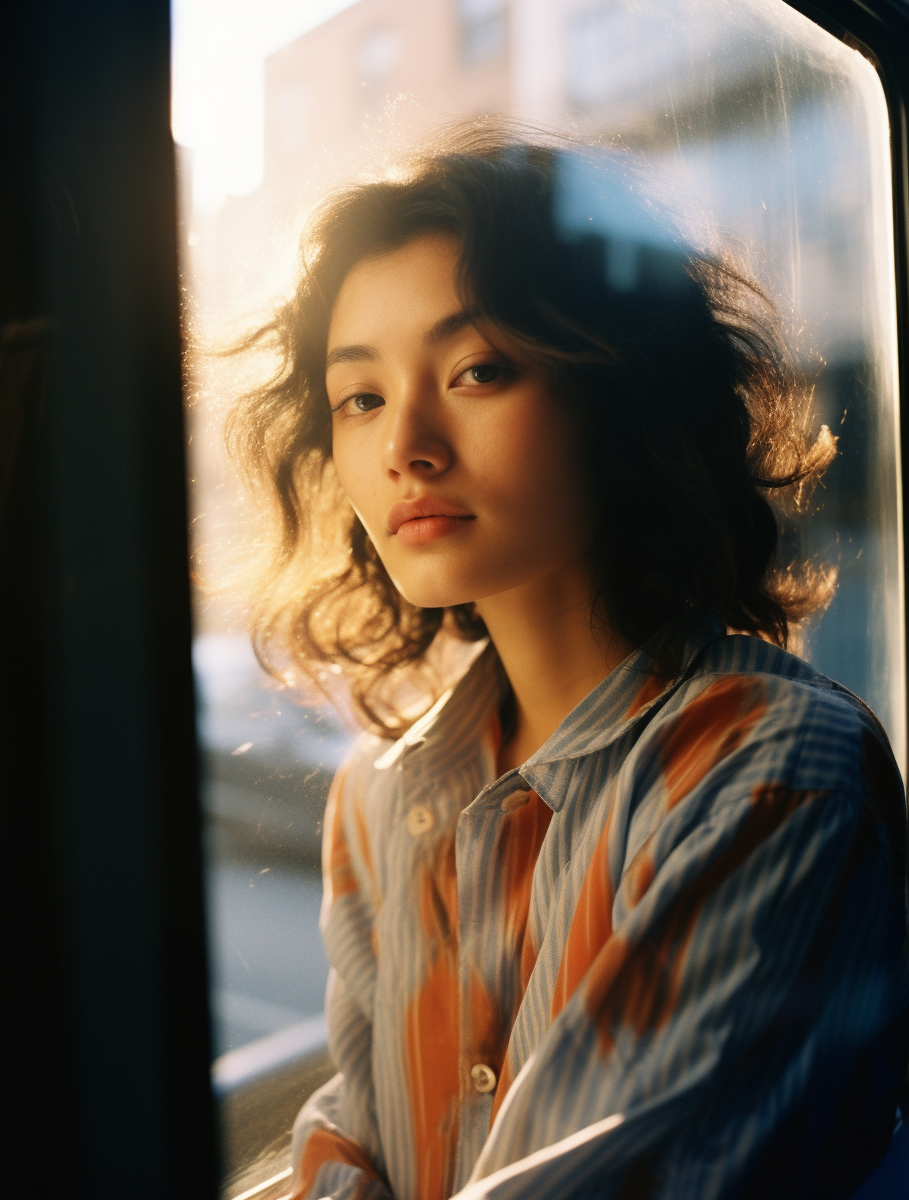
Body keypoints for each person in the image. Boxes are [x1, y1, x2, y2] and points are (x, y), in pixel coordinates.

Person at [227, 124, 909, 1200]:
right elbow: (350, 1140)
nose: (405, 440)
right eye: (358, 395)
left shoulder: (775, 772)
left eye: (479, 369)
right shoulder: (380, 799)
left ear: (622, 397)